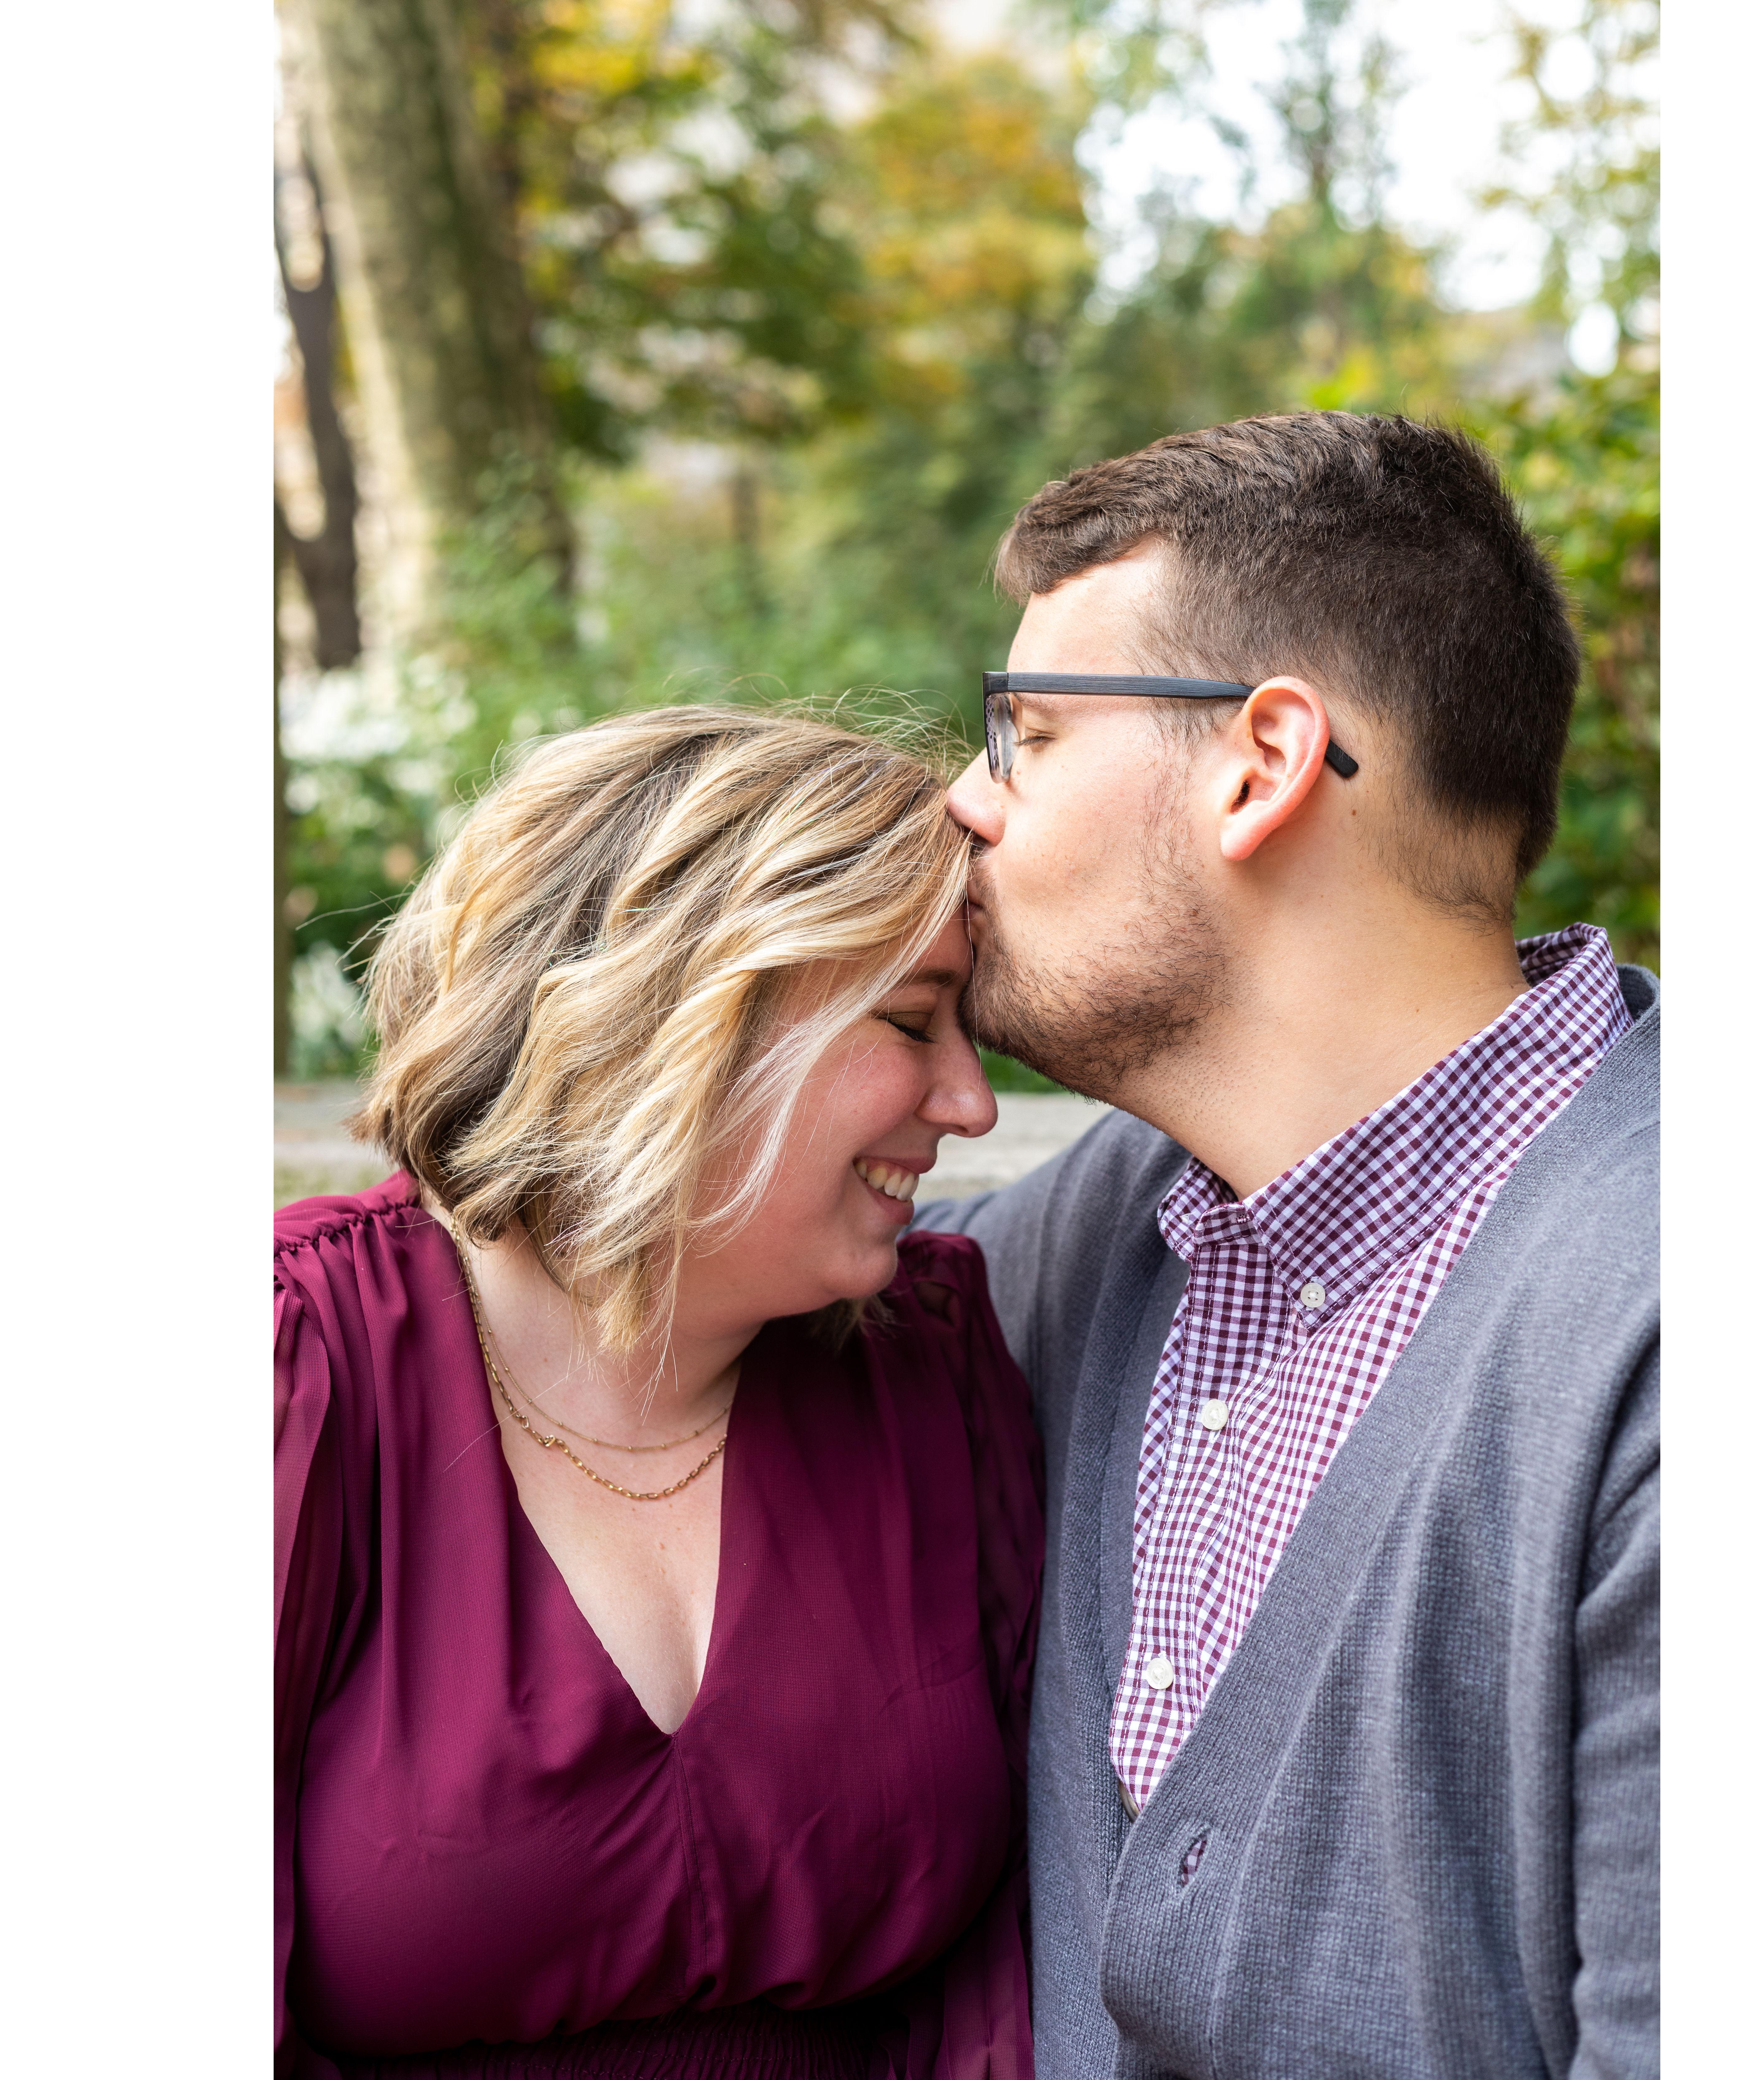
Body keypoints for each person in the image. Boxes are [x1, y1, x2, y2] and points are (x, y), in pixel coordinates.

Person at [915, 411, 1658, 2079]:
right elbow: (674, 1258)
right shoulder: (1094, 1240)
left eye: (1026, 731)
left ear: (1261, 764)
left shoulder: (1672, 1327)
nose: (966, 805)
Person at [275, 708, 1042, 2080]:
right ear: (674, 1017)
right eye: (917, 1023)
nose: (971, 1105)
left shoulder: (933, 1364)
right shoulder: (294, 1368)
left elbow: (994, 1989)